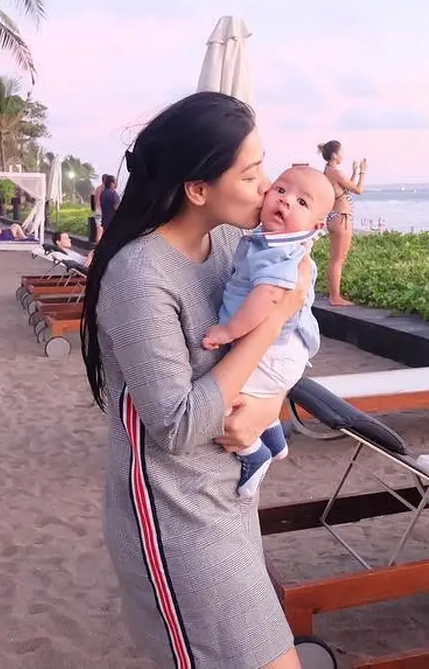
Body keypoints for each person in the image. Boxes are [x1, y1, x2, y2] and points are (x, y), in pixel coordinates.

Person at [80, 91, 309, 669]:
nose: (269, 190)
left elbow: (286, 343)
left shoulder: (233, 243)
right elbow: (177, 426)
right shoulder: (140, 275)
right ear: (199, 189)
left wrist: (270, 404)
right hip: (173, 520)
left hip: (227, 500)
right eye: (253, 175)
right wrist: (273, 315)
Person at [201, 166, 335, 497]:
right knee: (255, 395)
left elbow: (269, 296)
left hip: (277, 351)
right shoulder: (274, 241)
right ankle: (274, 436)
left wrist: (230, 330)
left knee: (225, 400)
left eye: (302, 203)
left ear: (316, 226)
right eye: (281, 190)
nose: (286, 201)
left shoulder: (278, 250)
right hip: (285, 348)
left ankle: (255, 453)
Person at [319, 140, 365, 306]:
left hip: (336, 217)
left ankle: (334, 295)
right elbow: (358, 190)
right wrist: (363, 173)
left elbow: (344, 188)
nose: (343, 154)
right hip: (341, 218)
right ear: (334, 155)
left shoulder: (329, 171)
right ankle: (335, 296)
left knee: (336, 259)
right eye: (341, 151)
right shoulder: (335, 171)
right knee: (338, 260)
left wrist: (353, 172)